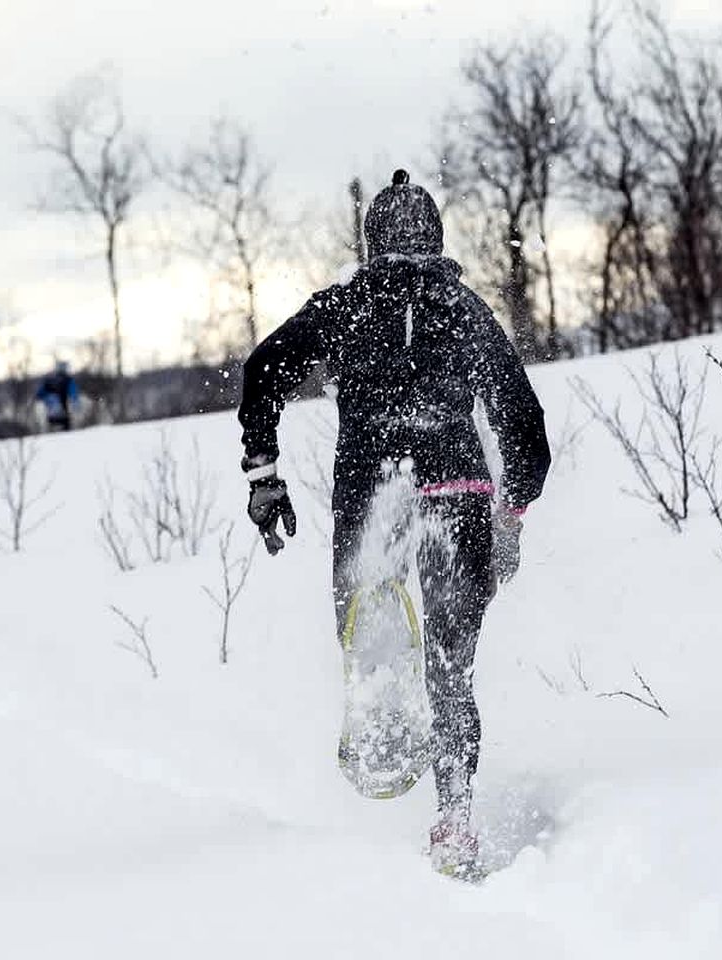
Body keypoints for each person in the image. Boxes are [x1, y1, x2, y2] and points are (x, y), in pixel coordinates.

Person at [236, 169, 551, 876]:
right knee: (453, 670)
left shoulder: (343, 307)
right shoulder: (464, 307)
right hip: (462, 491)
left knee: (367, 626)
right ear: (435, 239)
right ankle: (456, 817)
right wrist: (511, 515)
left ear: (371, 243)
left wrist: (264, 475)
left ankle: (386, 705)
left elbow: (263, 371)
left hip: (374, 499)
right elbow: (523, 424)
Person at [36, 361, 81, 431]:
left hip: (51, 412)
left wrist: (46, 399)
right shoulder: (68, 380)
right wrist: (75, 403)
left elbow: (39, 394)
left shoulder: (49, 380)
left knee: (52, 430)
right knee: (65, 431)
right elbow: (73, 393)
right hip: (63, 412)